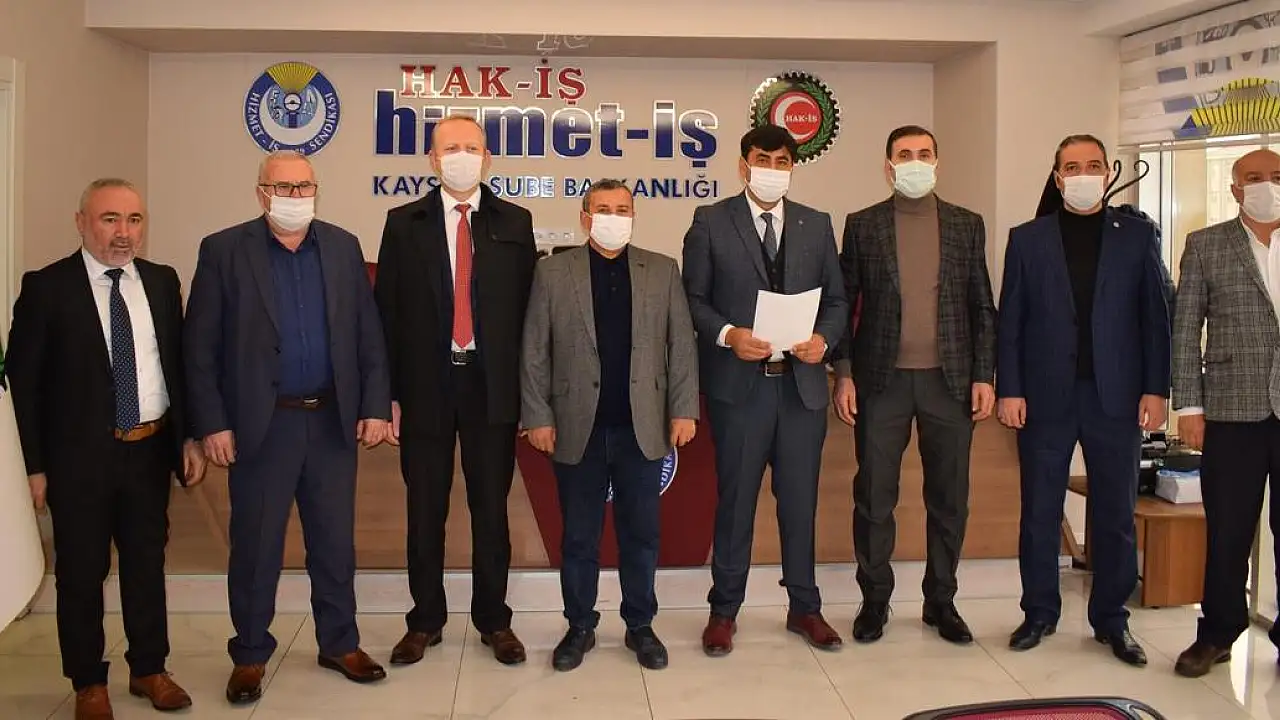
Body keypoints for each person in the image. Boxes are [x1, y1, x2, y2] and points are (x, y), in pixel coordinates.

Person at [185, 150, 392, 703]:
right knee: (256, 547)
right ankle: (250, 653)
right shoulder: (224, 251)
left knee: (334, 543)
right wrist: (212, 423)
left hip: (330, 422)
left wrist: (375, 405)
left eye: (304, 187)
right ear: (261, 192)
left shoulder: (343, 247)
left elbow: (367, 334)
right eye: (284, 187)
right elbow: (199, 347)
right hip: (262, 427)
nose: (295, 197)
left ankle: (339, 643)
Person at [6, 178, 205, 719]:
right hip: (78, 462)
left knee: (146, 565)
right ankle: (88, 682)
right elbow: (24, 384)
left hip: (149, 451)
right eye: (110, 219)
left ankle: (150, 669)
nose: (123, 233)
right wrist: (33, 467)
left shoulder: (162, 281)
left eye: (134, 220)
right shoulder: (47, 288)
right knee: (81, 572)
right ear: (81, 223)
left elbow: (177, 368)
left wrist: (187, 436)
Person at [996, 134, 1173, 666]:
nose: (1083, 175)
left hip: (1116, 397)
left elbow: (1155, 319)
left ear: (1108, 173)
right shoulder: (1027, 239)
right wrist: (1010, 388)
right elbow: (1011, 321)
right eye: (1072, 167)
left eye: (1093, 165)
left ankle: (1112, 619)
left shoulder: (1137, 237)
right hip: (1045, 397)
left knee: (1115, 513)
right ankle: (1039, 612)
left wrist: (1156, 388)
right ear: (1057, 177)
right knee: (1039, 511)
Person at [375, 116, 538, 666]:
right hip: (425, 387)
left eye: (471, 148)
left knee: (491, 510)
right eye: (451, 148)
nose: (461, 157)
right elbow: (387, 313)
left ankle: (495, 620)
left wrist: (530, 395)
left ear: (487, 159)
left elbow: (528, 316)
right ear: (432, 159)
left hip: (492, 388)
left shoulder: (515, 221)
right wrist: (388, 395)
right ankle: (424, 621)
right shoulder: (404, 223)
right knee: (425, 511)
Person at [682, 124, 849, 655]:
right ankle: (724, 612)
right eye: (762, 159)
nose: (772, 170)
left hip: (801, 391)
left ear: (792, 167)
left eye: (782, 162)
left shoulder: (816, 224)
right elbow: (693, 299)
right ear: (743, 165)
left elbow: (838, 301)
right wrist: (729, 335)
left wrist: (824, 339)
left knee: (799, 505)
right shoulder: (710, 221)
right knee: (735, 504)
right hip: (741, 391)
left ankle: (805, 608)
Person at [521, 180, 699, 671]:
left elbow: (681, 345)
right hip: (577, 427)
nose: (613, 217)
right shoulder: (553, 272)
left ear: (634, 216)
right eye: (603, 209)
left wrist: (684, 409)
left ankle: (640, 624)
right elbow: (534, 349)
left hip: (642, 428)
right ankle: (579, 626)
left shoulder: (661, 270)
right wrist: (537, 415)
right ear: (585, 217)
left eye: (622, 209)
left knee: (640, 534)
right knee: (579, 538)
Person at [832, 125, 997, 645]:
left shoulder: (967, 224)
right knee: (874, 497)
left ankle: (940, 601)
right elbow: (843, 304)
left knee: (949, 500)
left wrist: (984, 375)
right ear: (888, 167)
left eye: (924, 153)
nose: (915, 162)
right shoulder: (863, 225)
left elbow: (981, 305)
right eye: (905, 155)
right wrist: (844, 373)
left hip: (950, 382)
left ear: (937, 162)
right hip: (881, 382)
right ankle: (874, 601)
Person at [1171, 148, 1280, 678]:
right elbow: (1184, 329)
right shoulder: (1206, 244)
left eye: (1277, 176)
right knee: (1229, 531)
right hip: (1232, 411)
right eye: (1254, 178)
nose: (1267, 186)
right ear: (1236, 189)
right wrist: (1190, 406)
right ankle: (1217, 632)